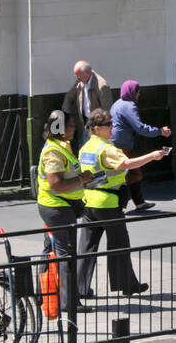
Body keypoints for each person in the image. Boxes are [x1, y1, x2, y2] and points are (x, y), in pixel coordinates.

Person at [77, 109, 163, 297]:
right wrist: (152, 156)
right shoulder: (106, 148)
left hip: (90, 202)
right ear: (97, 128)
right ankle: (127, 285)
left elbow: (90, 175)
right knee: (119, 245)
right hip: (108, 204)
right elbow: (126, 165)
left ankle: (80, 288)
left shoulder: (85, 148)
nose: (112, 127)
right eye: (108, 124)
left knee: (86, 248)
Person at [35, 109, 92, 313]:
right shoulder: (53, 152)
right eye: (71, 126)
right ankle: (69, 303)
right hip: (57, 207)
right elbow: (55, 184)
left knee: (50, 250)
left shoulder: (62, 146)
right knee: (65, 255)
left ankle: (43, 294)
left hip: (59, 206)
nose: (74, 129)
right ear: (61, 128)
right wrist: (82, 180)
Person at [109, 80, 169, 213]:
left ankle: (139, 202)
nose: (139, 94)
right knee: (128, 173)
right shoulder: (129, 106)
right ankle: (120, 206)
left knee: (131, 172)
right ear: (133, 92)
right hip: (122, 144)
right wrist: (160, 131)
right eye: (138, 91)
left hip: (117, 142)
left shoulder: (117, 103)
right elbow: (140, 128)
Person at [62, 61, 115, 154]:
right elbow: (71, 96)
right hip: (86, 122)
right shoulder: (81, 81)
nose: (77, 78)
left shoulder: (101, 86)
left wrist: (101, 127)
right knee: (85, 149)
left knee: (95, 150)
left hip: (97, 125)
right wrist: (65, 111)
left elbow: (107, 110)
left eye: (78, 76)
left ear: (87, 73)